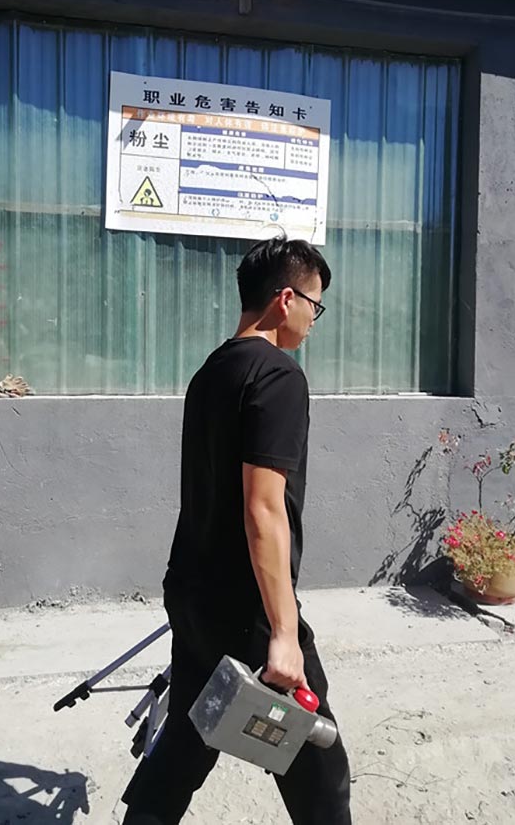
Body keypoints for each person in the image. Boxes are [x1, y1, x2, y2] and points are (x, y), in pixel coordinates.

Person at [121, 235, 352, 825]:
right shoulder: (278, 376)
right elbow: (263, 510)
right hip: (247, 610)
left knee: (187, 741)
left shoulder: (211, 371)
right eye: (314, 305)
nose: (314, 319)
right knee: (319, 771)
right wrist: (283, 632)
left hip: (192, 592)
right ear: (285, 299)